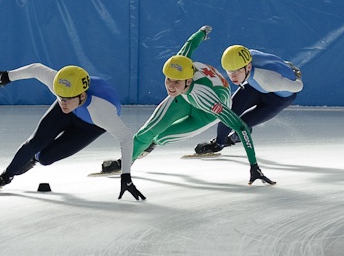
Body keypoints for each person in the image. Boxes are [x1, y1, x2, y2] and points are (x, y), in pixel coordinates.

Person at [99, 25, 276, 186]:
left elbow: (241, 126)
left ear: (188, 80)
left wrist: (254, 165)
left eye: (176, 82)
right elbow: (190, 44)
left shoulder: (210, 100)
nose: (170, 86)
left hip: (206, 113)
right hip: (185, 98)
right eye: (168, 80)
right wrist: (202, 32)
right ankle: (125, 162)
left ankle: (151, 144)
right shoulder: (180, 62)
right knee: (147, 132)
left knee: (161, 138)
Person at [0, 64, 145, 200]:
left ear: (82, 95)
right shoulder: (62, 88)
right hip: (74, 113)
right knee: (35, 143)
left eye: (68, 99)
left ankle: (35, 159)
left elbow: (126, 138)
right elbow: (36, 69)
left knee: (45, 158)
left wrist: (126, 176)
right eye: (60, 97)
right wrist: (8, 76)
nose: (63, 103)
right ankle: (5, 177)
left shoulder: (103, 112)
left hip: (91, 125)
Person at [194, 45, 304, 155]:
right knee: (228, 114)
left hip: (277, 99)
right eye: (229, 71)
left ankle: (233, 138)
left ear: (249, 67)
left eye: (237, 71)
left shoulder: (269, 79)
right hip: (256, 86)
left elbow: (298, 87)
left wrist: (296, 74)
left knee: (243, 125)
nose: (233, 77)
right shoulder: (245, 56)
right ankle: (218, 144)